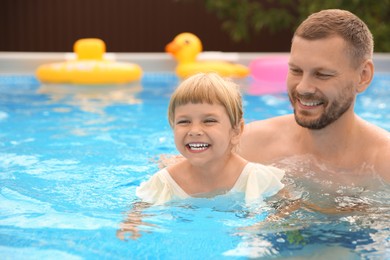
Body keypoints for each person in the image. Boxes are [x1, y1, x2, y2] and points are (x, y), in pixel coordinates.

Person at [239, 9, 390, 185]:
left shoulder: (383, 164)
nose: (303, 88)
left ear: (363, 76)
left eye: (322, 74)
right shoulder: (250, 145)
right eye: (296, 71)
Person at [136, 72, 285, 206]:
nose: (194, 131)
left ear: (236, 131)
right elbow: (136, 216)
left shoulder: (257, 179)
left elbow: (288, 210)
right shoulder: (164, 183)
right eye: (184, 121)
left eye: (209, 121)